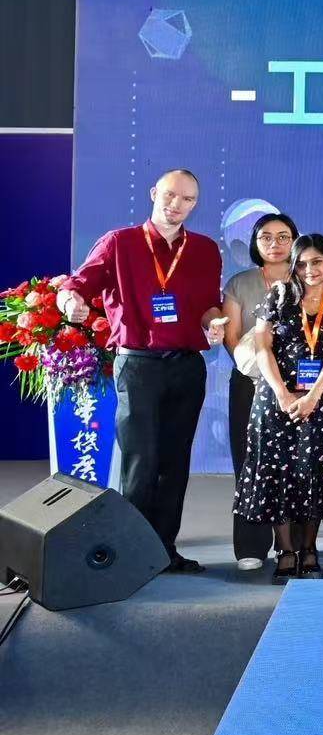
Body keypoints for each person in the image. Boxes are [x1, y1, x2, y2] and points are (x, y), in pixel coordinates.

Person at [58, 169, 227, 573]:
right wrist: (70, 303)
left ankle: (164, 550)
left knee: (175, 461)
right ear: (154, 193)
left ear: (195, 204)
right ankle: (132, 555)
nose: (176, 205)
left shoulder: (205, 249)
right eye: (170, 195)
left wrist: (214, 322)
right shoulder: (119, 242)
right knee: (140, 460)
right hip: (138, 364)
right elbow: (78, 285)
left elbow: (209, 304)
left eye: (187, 199)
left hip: (187, 365)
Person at [236, 233, 323, 581]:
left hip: (320, 398)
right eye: (301, 264)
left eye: (316, 262)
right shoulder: (279, 294)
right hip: (275, 397)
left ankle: (309, 548)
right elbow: (262, 347)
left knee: (312, 469)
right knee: (277, 472)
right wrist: (282, 394)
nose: (309, 270)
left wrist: (312, 397)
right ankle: (286, 550)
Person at [218, 212, 297, 571]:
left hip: (298, 388)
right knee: (251, 461)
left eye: (283, 237)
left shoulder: (307, 279)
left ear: (294, 241)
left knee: (296, 464)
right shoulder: (240, 283)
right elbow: (233, 338)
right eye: (266, 237)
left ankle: (293, 544)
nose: (275, 244)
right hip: (250, 385)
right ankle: (251, 544)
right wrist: (259, 368)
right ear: (254, 242)